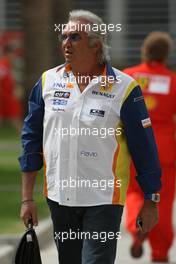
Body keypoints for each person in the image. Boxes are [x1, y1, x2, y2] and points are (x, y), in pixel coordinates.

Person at [19, 10, 162, 264]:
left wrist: (151, 199)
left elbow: (144, 147)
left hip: (104, 201)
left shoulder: (125, 88)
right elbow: (31, 140)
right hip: (60, 198)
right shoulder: (47, 81)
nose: (66, 42)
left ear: (96, 43)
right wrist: (27, 198)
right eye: (63, 37)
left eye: (74, 37)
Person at [124, 31, 176, 263]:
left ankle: (137, 228)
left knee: (135, 192)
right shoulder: (173, 81)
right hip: (164, 151)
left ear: (144, 51)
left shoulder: (129, 77)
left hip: (134, 150)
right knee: (161, 201)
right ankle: (160, 252)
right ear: (166, 54)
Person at [0, 44, 22, 132]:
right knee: (15, 119)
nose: (14, 56)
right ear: (8, 54)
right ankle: (28, 141)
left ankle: (27, 140)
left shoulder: (8, 65)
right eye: (13, 54)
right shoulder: (3, 65)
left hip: (8, 97)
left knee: (15, 118)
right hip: (4, 97)